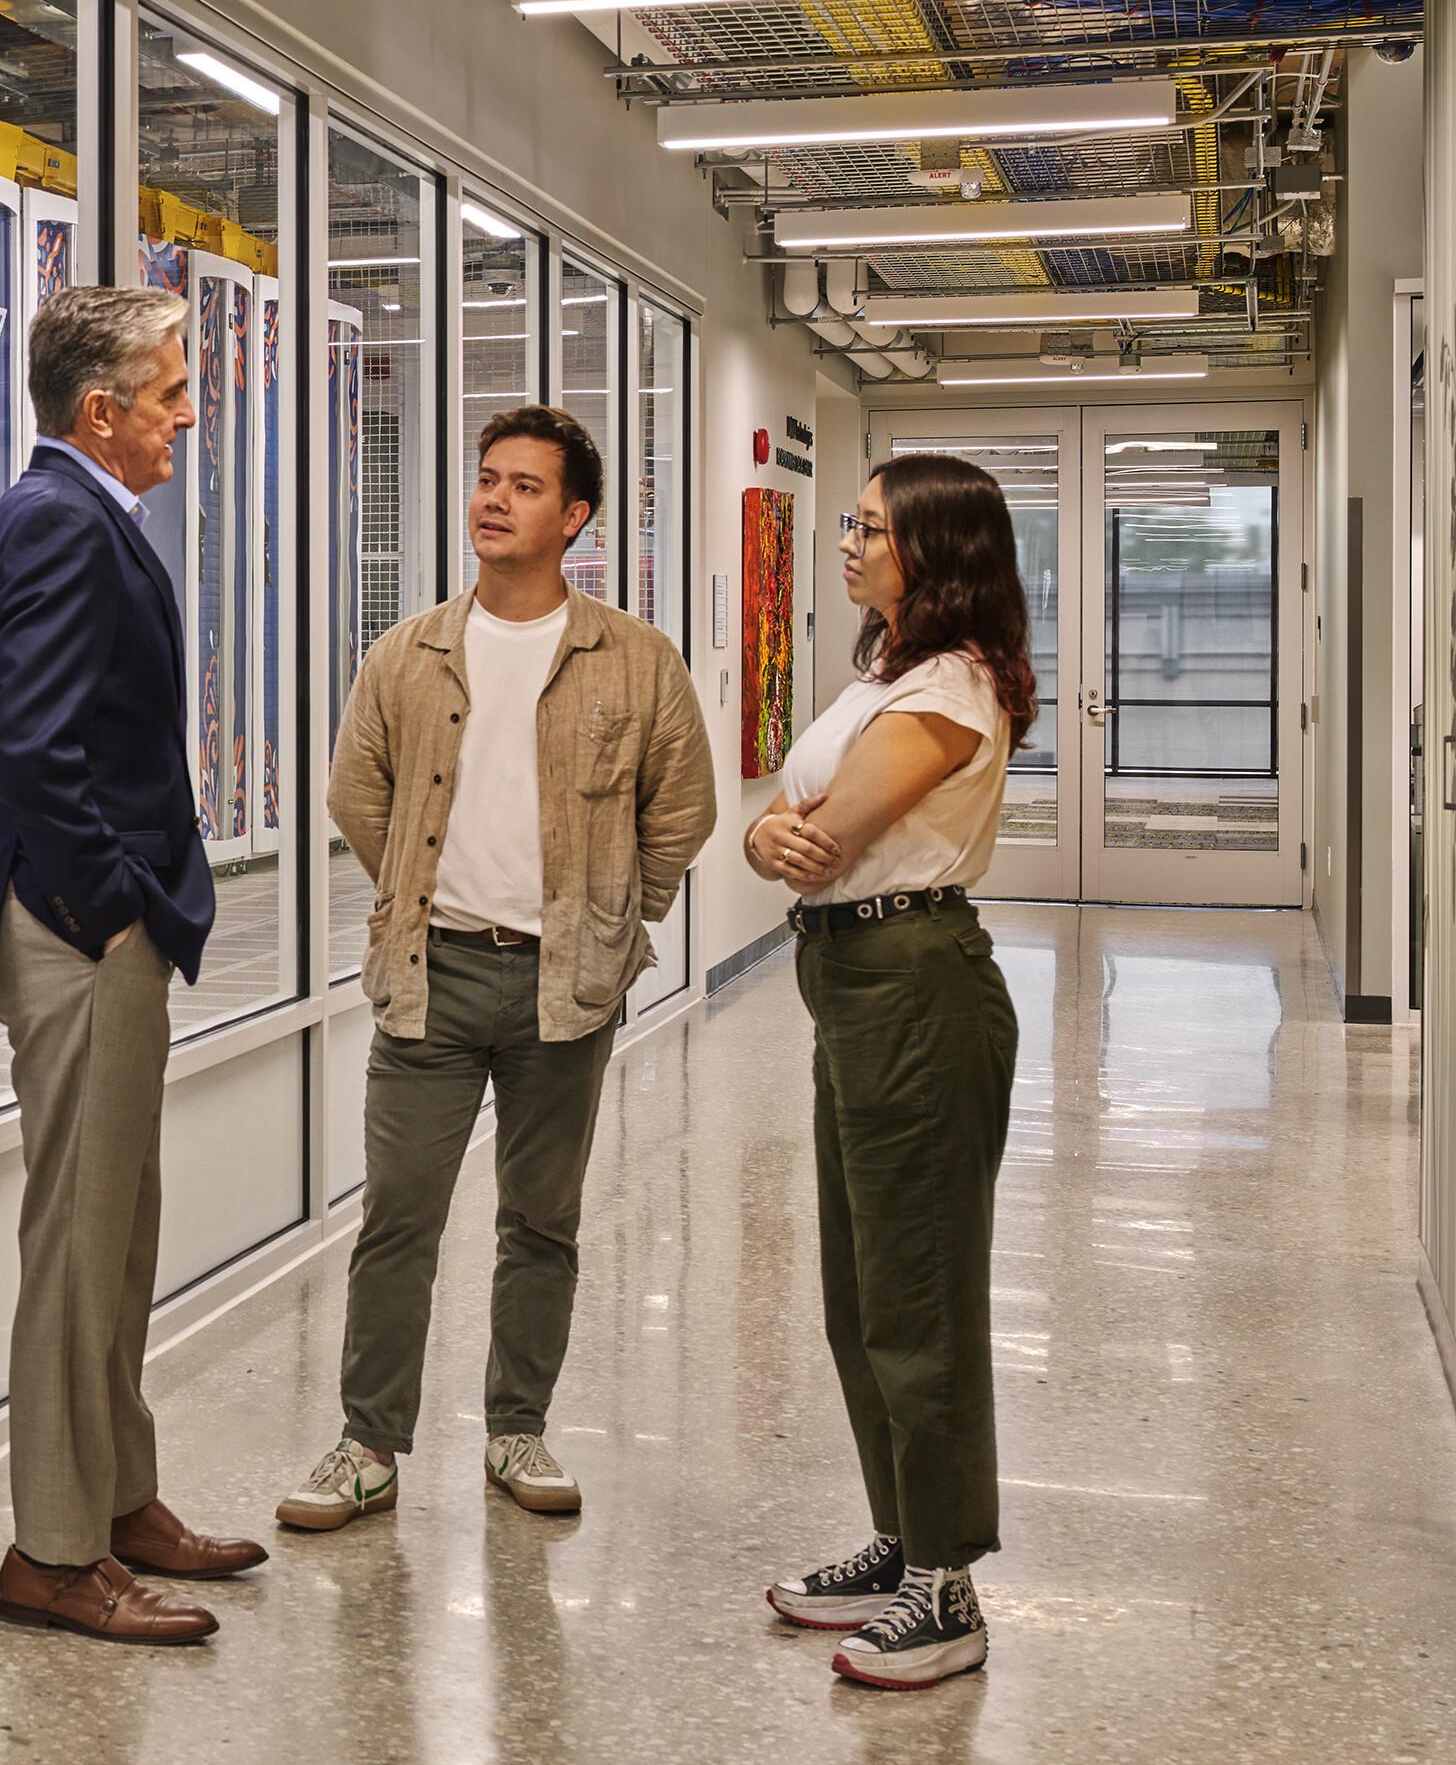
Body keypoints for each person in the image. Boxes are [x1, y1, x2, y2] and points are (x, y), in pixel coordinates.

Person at [278, 406, 714, 1535]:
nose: (493, 500)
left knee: (542, 1222)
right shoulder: (410, 651)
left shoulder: (635, 660)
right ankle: (367, 1443)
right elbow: (356, 792)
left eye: (523, 486)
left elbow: (682, 808)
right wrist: (416, 898)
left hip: (566, 987)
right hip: (433, 974)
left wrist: (618, 920)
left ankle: (518, 1426)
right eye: (485, 479)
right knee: (398, 1218)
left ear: (574, 518)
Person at [0, 284, 266, 1645]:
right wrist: (116, 908)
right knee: (78, 1251)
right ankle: (56, 1551)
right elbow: (29, 747)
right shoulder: (57, 523)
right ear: (101, 409)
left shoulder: (82, 516)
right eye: (173, 391)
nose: (189, 413)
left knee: (120, 1232)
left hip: (100, 925)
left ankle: (121, 1496)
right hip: (82, 935)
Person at [744, 453, 1027, 1690]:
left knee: (919, 1297)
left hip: (916, 984)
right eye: (848, 523)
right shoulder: (888, 675)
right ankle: (905, 1541)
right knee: (859, 1293)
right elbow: (775, 828)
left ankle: (948, 1586)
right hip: (852, 984)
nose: (847, 543)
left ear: (935, 551)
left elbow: (820, 836)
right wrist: (766, 830)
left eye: (868, 527)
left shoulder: (954, 688)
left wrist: (776, 832)